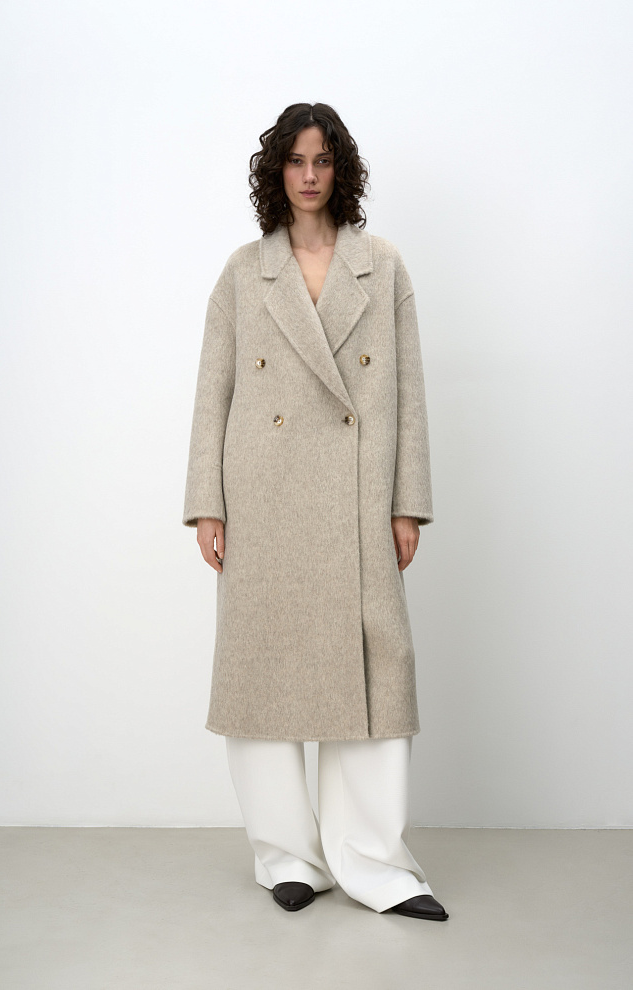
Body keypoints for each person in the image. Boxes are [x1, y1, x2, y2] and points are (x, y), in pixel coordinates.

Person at [182, 103, 448, 920]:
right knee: (264, 671)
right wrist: (207, 505)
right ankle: (288, 858)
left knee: (375, 670)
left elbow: (406, 390)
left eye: (322, 161)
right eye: (296, 161)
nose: (308, 175)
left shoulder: (382, 267)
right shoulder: (244, 272)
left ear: (341, 170)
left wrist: (407, 503)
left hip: (359, 494)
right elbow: (213, 392)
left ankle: (375, 863)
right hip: (262, 494)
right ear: (277, 171)